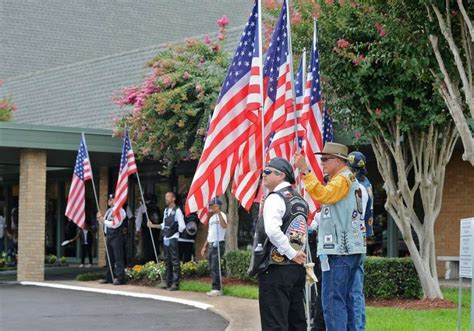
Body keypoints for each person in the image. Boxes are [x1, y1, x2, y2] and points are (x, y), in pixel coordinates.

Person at [295, 142, 366, 331]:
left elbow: (324, 196)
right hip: (349, 250)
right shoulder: (348, 180)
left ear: (339, 161)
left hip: (339, 252)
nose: (322, 163)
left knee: (333, 304)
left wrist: (306, 171)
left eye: (326, 159)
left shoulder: (342, 180)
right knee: (348, 302)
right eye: (321, 159)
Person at [256, 157, 309, 330]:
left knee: (275, 323)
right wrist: (295, 254)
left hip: (276, 267)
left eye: (267, 171)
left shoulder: (275, 198)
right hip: (296, 268)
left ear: (281, 175)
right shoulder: (300, 200)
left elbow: (272, 231)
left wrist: (291, 252)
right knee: (296, 321)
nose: (263, 175)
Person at [348, 151, 374, 331]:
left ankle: (357, 327)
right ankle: (359, 326)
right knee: (356, 290)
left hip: (354, 239)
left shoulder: (357, 186)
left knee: (354, 290)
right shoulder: (367, 184)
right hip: (361, 237)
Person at [148, 191, 185, 291]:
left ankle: (175, 283)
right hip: (166, 238)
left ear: (173, 199)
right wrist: (154, 226)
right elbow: (164, 225)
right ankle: (168, 281)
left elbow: (182, 226)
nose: (166, 199)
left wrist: (176, 234)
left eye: (168, 197)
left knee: (175, 261)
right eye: (166, 197)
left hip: (173, 238)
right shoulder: (165, 211)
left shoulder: (177, 211)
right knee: (167, 261)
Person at [97, 194, 127, 285]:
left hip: (117, 236)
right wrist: (99, 219)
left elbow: (115, 224)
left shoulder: (121, 211)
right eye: (109, 199)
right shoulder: (109, 211)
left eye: (111, 199)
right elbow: (104, 223)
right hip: (109, 236)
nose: (109, 200)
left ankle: (120, 277)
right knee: (109, 258)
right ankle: (109, 277)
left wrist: (103, 220)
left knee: (118, 257)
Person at [200, 198, 227, 297]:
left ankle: (217, 288)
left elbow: (224, 226)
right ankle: (215, 286)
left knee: (215, 266)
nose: (211, 207)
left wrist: (219, 213)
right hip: (211, 243)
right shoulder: (211, 219)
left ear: (218, 206)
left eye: (213, 205)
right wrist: (204, 246)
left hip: (218, 243)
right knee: (212, 266)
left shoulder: (222, 215)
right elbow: (210, 234)